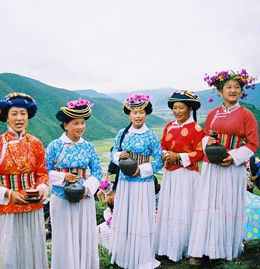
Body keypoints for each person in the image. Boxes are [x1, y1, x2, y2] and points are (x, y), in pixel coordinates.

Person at [188, 69, 259, 264]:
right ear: (220, 91)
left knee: (227, 205)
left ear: (241, 91)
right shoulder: (213, 114)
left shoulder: (247, 115)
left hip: (232, 167)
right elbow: (204, 136)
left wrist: (233, 157)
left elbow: (253, 144)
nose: (233, 90)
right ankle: (202, 250)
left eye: (237, 87)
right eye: (228, 87)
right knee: (208, 205)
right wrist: (208, 143)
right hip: (212, 166)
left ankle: (224, 250)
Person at [0, 92, 49, 268]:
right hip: (6, 208)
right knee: (8, 255)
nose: (19, 118)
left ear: (28, 116)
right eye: (14, 114)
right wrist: (9, 194)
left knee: (31, 251)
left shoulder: (36, 143)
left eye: (23, 113)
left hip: (32, 205)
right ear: (6, 117)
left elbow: (42, 172)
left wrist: (42, 189)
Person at [45, 98, 102, 269]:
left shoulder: (89, 147)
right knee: (64, 236)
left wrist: (86, 189)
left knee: (83, 235)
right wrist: (63, 178)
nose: (80, 127)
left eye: (82, 123)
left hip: (84, 197)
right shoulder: (55, 146)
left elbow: (97, 172)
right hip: (61, 198)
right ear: (65, 125)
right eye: (76, 123)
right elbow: (44, 171)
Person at [109, 94, 164, 269]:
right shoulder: (122, 133)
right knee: (126, 215)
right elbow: (114, 153)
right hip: (125, 183)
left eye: (141, 112)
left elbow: (159, 160)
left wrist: (141, 169)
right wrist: (120, 156)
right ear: (129, 114)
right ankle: (124, 255)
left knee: (141, 216)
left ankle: (141, 256)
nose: (138, 116)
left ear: (146, 114)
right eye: (134, 112)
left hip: (143, 182)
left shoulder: (151, 136)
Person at [155, 90, 204, 262]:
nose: (177, 111)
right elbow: (162, 144)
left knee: (184, 209)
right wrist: (163, 153)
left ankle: (184, 247)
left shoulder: (197, 129)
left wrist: (179, 157)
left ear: (189, 109)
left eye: (181, 107)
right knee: (169, 207)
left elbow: (200, 153)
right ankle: (165, 246)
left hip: (186, 175)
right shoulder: (169, 126)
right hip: (170, 174)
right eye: (174, 108)